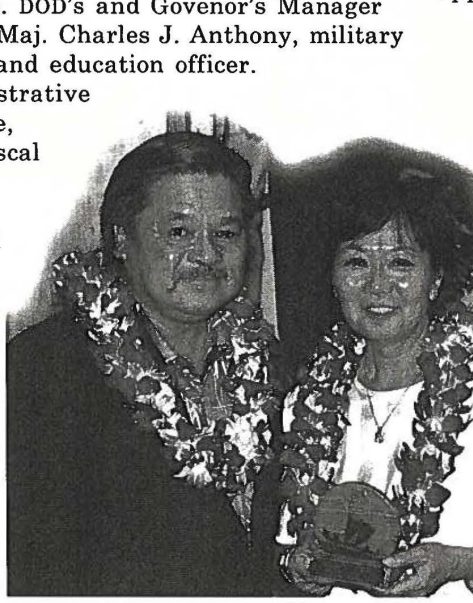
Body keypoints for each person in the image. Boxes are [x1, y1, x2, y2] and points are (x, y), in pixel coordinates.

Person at [275, 143, 473, 597]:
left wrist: (460, 562)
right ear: (332, 277)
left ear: (434, 280)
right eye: (356, 261)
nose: (377, 284)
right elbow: (292, 543)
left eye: (401, 262)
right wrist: (299, 565)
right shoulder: (307, 401)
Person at [6, 131, 283, 595]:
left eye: (226, 233)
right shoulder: (43, 369)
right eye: (179, 232)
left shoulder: (269, 363)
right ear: (120, 239)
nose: (206, 254)